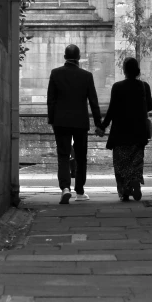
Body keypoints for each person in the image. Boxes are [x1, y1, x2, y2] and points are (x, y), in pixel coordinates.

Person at [47, 44, 102, 204]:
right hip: (80, 122)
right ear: (78, 58)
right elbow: (93, 102)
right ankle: (79, 191)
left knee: (63, 155)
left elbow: (51, 100)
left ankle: (65, 188)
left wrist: (52, 119)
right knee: (80, 156)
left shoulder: (55, 74)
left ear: (65, 57)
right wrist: (98, 124)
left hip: (61, 121)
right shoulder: (86, 76)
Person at [97, 57, 152, 202]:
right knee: (136, 161)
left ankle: (125, 190)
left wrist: (102, 126)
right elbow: (150, 106)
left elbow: (111, 111)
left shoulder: (117, 87)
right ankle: (135, 179)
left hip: (120, 133)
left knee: (121, 164)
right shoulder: (144, 86)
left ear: (124, 71)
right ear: (138, 71)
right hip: (138, 132)